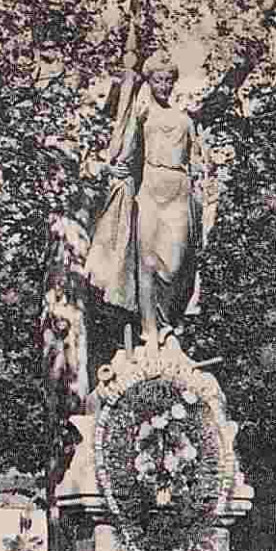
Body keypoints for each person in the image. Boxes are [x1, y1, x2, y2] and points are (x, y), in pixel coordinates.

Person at [85, 51, 210, 353]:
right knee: (148, 264)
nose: (164, 85)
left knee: (176, 264)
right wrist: (113, 166)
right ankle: (150, 330)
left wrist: (204, 202)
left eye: (169, 80)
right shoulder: (142, 116)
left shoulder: (184, 120)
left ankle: (169, 323)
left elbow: (197, 165)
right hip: (150, 191)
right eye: (158, 80)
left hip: (179, 191)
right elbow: (124, 152)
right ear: (150, 81)